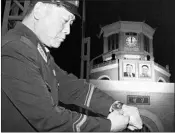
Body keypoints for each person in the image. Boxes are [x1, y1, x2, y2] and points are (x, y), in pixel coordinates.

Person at [1, 0, 142, 132]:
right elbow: (48, 119)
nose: (68, 30)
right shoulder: (15, 49)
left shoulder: (35, 50)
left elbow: (71, 88)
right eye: (64, 20)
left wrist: (118, 106)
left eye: (71, 23)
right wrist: (108, 126)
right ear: (39, 10)